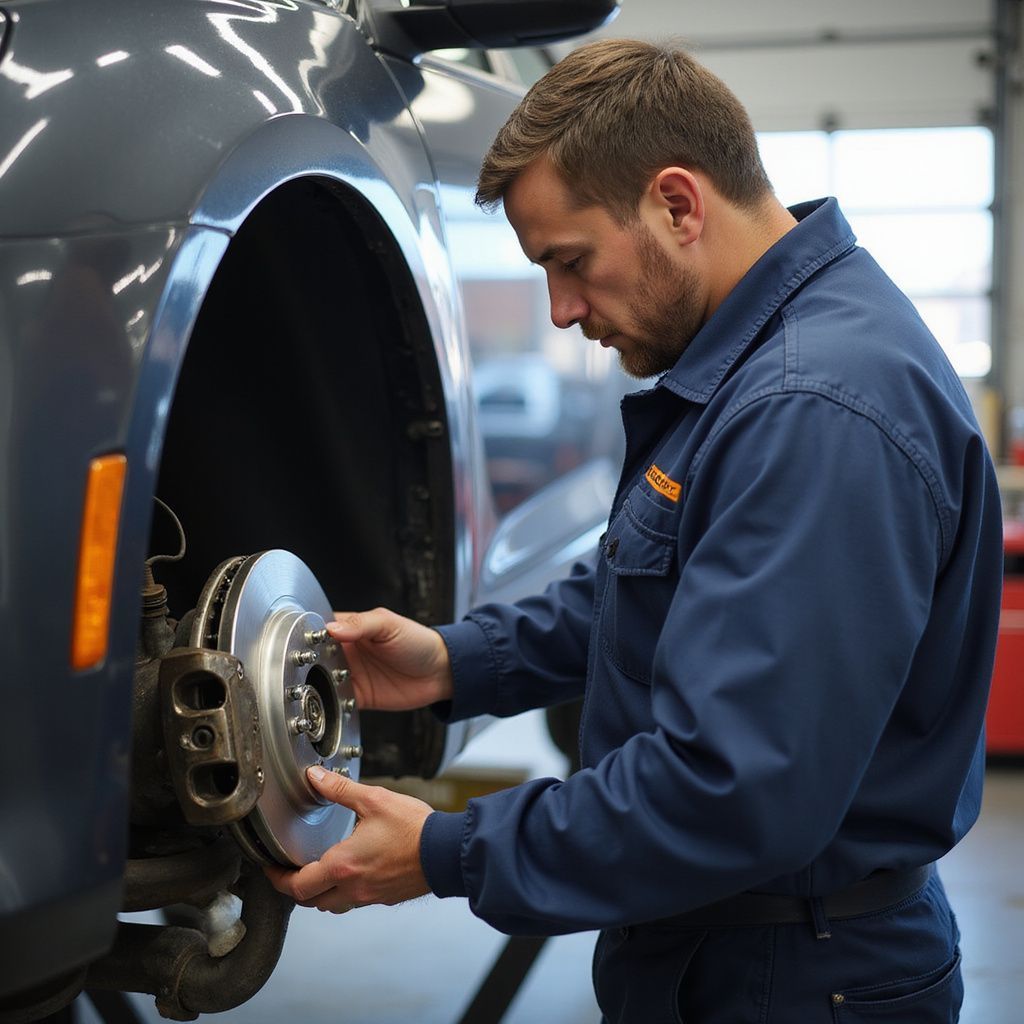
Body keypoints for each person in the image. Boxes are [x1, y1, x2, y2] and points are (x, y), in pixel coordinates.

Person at [267, 39, 1003, 1021]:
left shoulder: (812, 410)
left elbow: (731, 790)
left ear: (678, 204)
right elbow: (645, 594)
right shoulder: (755, 368)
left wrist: (449, 848)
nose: (563, 311)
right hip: (736, 940)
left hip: (792, 975)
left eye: (570, 263)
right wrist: (452, 659)